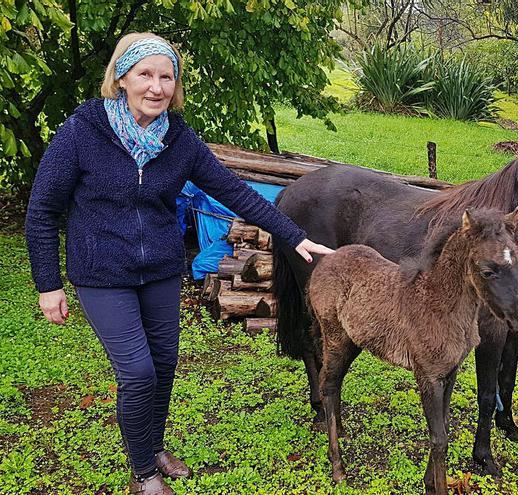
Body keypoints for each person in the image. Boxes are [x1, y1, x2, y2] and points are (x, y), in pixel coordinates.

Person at [25, 33, 333, 495]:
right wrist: (48, 284)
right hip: (102, 273)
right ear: (122, 78)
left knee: (164, 363)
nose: (156, 86)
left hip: (161, 271)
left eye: (166, 76)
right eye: (145, 74)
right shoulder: (82, 134)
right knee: (137, 371)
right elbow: (42, 211)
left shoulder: (178, 139)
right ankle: (143, 474)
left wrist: (295, 236)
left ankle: (153, 447)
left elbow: (235, 191)